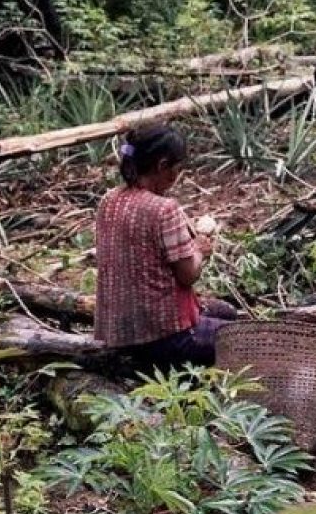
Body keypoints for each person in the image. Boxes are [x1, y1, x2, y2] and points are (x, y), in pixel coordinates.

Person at [95, 123, 235, 367]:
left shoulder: (109, 200)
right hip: (163, 336)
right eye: (176, 168)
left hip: (119, 332)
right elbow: (188, 275)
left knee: (225, 311)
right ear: (162, 166)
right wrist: (200, 249)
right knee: (242, 337)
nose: (176, 176)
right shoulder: (163, 209)